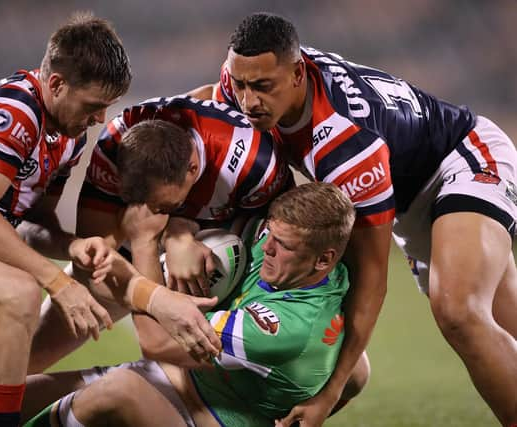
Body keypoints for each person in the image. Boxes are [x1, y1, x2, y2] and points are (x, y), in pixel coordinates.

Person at [188, 12, 517, 427]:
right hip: (407, 197)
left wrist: (332, 390)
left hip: (463, 156)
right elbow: (203, 107)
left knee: (458, 311)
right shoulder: (248, 79)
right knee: (503, 324)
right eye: (240, 84)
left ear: (296, 73)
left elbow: (373, 279)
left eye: (262, 87)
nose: (249, 100)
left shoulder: (346, 142)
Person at [0, 182, 369, 427]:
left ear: (324, 259)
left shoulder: (285, 329)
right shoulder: (289, 248)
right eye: (270, 235)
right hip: (177, 381)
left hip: (207, 415)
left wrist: (144, 240)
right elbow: (358, 372)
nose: (267, 249)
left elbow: (158, 342)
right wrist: (178, 232)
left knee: (119, 392)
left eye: (285, 248)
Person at [0, 12, 133, 427]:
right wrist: (58, 282)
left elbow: (26, 227)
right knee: (20, 292)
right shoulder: (15, 112)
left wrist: (69, 246)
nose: (100, 119)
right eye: (94, 105)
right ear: (56, 84)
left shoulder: (66, 135)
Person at [25, 95, 292, 374]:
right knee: (23, 362)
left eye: (164, 206)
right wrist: (152, 240)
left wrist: (178, 231)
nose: (150, 210)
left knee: (197, 372)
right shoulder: (114, 144)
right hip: (132, 248)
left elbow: (274, 241)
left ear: (193, 169)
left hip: (221, 251)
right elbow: (97, 257)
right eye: (138, 202)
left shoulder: (253, 162)